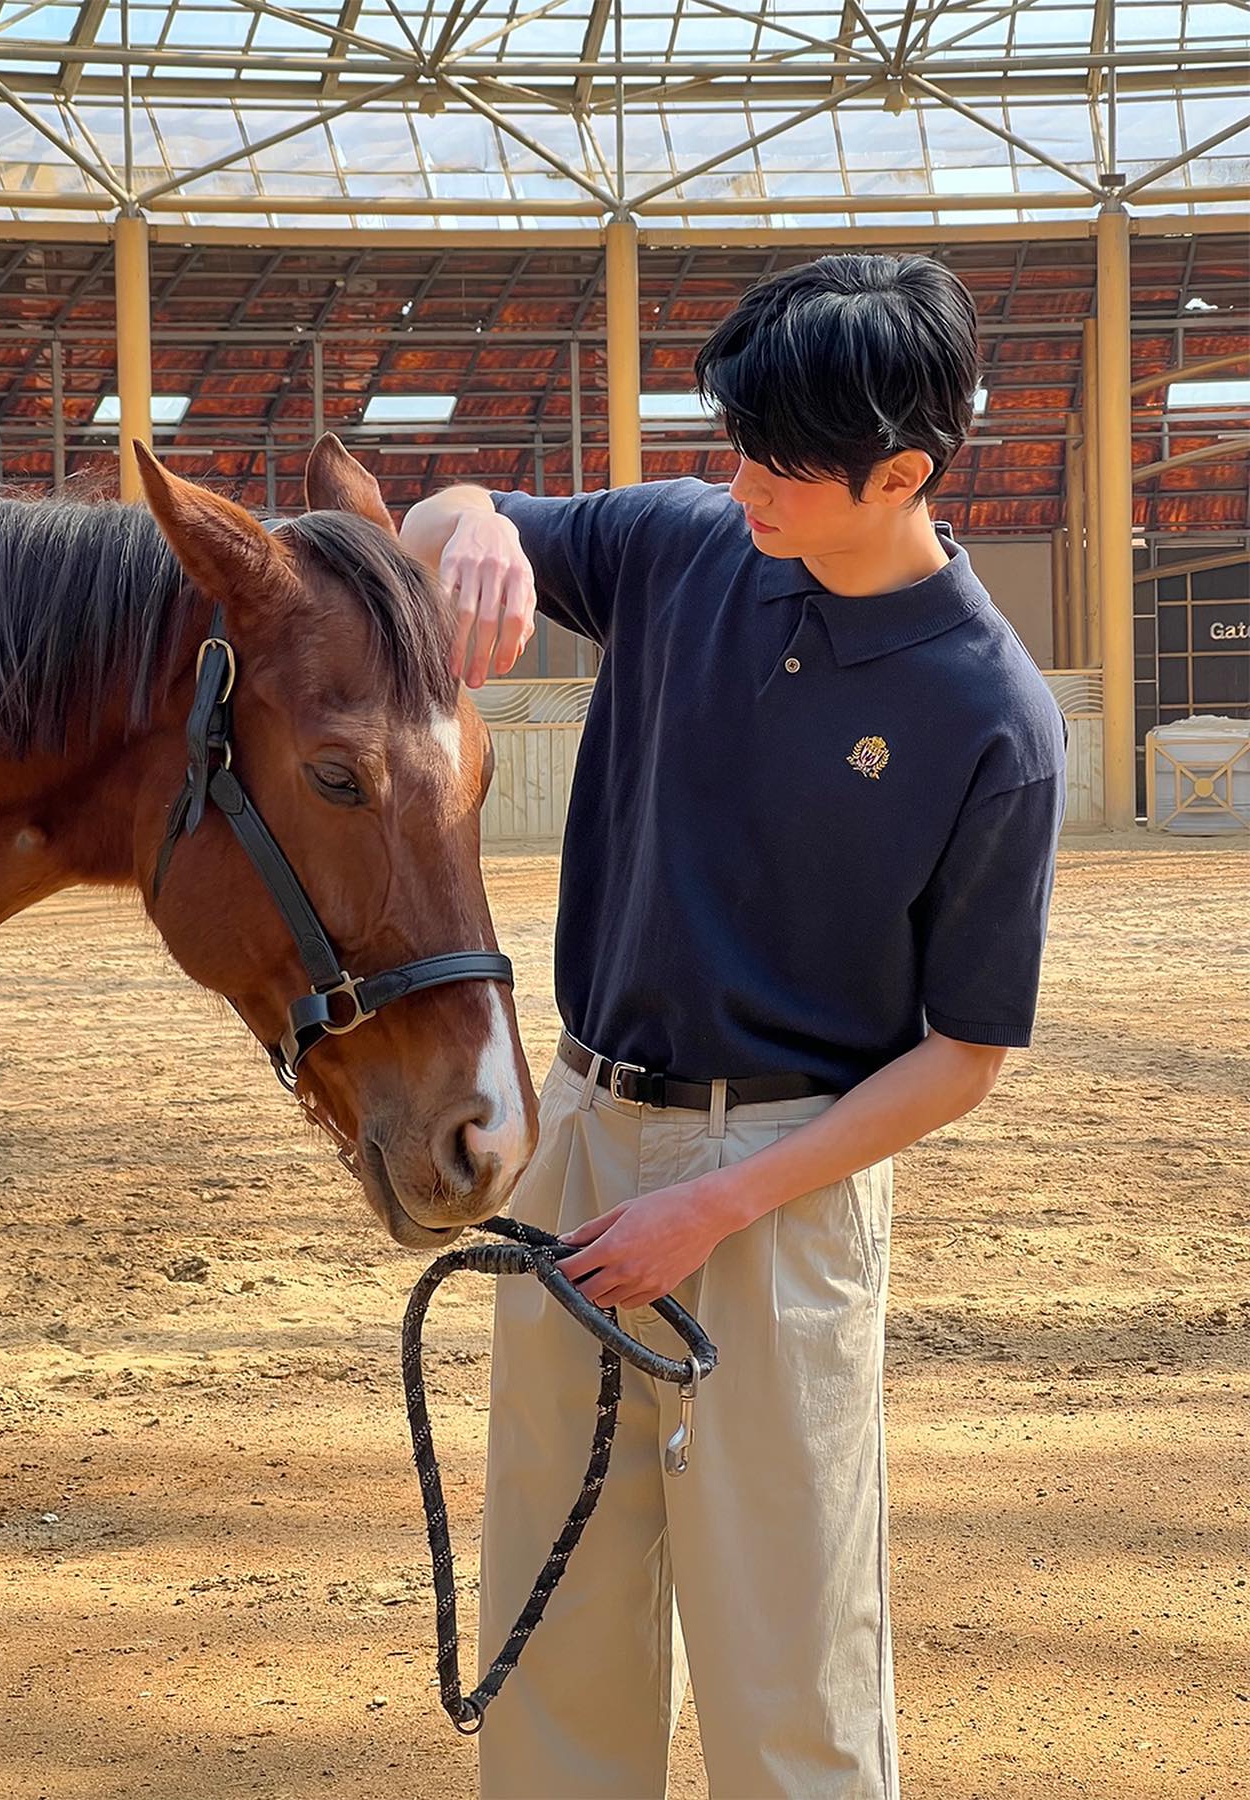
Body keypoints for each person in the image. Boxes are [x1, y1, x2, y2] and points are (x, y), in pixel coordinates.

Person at [401, 252, 1067, 1800]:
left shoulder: (993, 718)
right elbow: (451, 513)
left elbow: (962, 1055)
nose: (740, 478)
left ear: (902, 471)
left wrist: (713, 1203)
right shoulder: (682, 544)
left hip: (780, 1183)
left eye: (780, 460)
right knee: (550, 1615)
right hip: (577, 1128)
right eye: (738, 441)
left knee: (788, 1655)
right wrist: (475, 526)